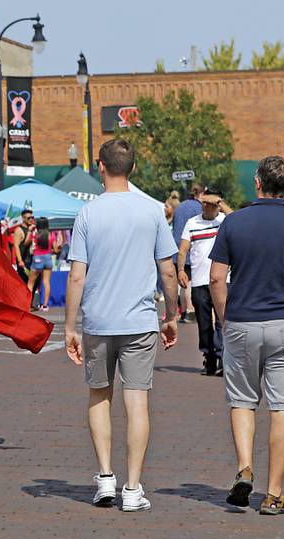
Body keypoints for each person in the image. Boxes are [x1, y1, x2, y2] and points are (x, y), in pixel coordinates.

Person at [209, 156, 284, 515]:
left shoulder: (233, 223)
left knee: (243, 399)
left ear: (257, 182)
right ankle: (274, 493)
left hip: (243, 321)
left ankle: (245, 467)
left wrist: (224, 318)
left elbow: (216, 278)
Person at [65, 139, 179, 512]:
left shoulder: (88, 214)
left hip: (99, 319)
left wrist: (70, 325)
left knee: (99, 395)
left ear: (100, 166)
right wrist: (172, 314)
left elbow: (77, 275)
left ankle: (105, 477)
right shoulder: (152, 213)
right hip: (140, 319)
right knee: (137, 401)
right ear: (133, 168)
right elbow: (167, 270)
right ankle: (132, 486)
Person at [177, 188, 233, 376]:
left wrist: (219, 203)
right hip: (200, 280)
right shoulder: (192, 223)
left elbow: (235, 218)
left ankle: (223, 357)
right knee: (204, 323)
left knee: (222, 321)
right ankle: (209, 357)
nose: (207, 207)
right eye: (205, 203)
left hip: (223, 280)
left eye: (211, 204)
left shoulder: (224, 221)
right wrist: (180, 270)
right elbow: (183, 249)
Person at [172, 184, 203, 322]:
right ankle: (190, 311)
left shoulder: (180, 206)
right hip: (189, 247)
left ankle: (183, 311)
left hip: (176, 247)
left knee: (182, 282)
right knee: (189, 282)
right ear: (201, 194)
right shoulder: (198, 208)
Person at [27, 217, 58, 311]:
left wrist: (29, 231)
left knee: (31, 283)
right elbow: (56, 250)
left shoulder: (35, 235)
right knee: (46, 282)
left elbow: (27, 243)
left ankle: (27, 304)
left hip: (37, 258)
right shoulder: (50, 235)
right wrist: (50, 250)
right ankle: (45, 305)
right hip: (48, 258)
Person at [12, 209, 34, 283]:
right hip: (23, 261)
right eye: (28, 218)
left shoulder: (31, 228)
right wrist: (20, 260)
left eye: (32, 217)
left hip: (31, 260)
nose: (31, 219)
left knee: (32, 284)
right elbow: (16, 246)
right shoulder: (19, 230)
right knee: (24, 283)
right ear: (23, 218)